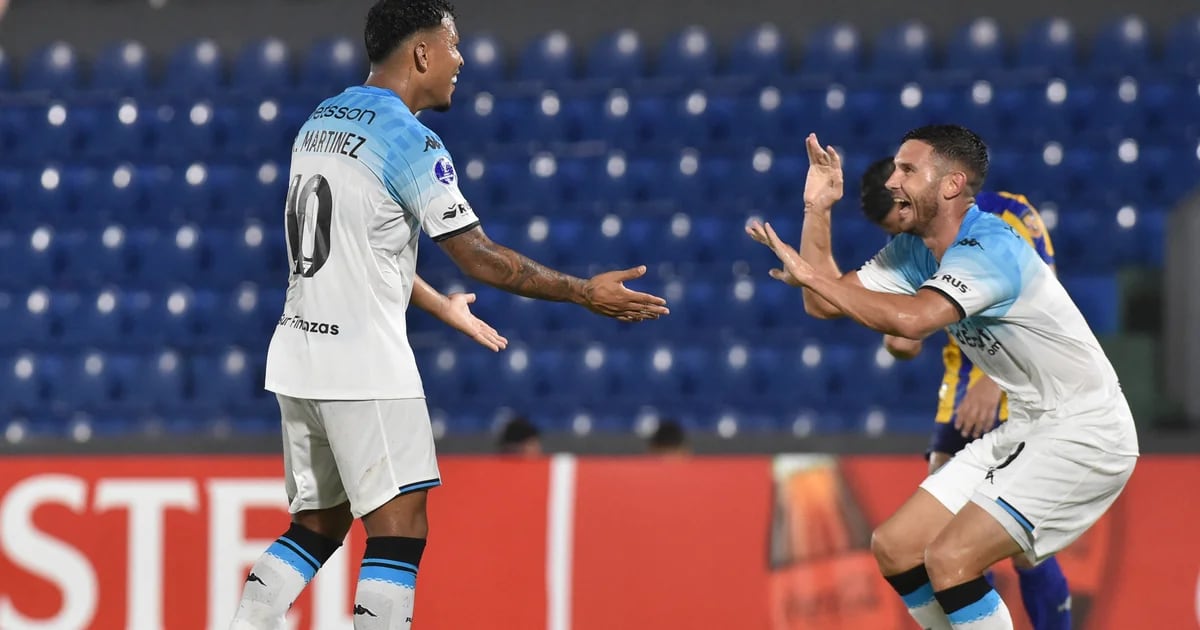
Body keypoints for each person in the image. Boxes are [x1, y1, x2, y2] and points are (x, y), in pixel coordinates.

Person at [231, 2, 670, 628]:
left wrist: (441, 308)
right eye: (453, 45)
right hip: (364, 364)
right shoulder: (408, 138)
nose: (461, 60)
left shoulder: (319, 121)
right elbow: (481, 257)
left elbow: (359, 248)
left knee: (320, 522)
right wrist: (583, 292)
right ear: (420, 53)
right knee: (401, 526)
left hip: (298, 357)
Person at [747, 125, 1137, 629]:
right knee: (896, 548)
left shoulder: (988, 245)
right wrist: (818, 209)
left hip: (1086, 432)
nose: (893, 180)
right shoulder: (915, 250)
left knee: (952, 560)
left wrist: (813, 275)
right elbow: (822, 301)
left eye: (908, 169)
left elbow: (912, 320)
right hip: (1027, 425)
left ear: (952, 184)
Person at [859, 157, 1072, 629]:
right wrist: (897, 329)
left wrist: (991, 381)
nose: (903, 232)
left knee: (1023, 548)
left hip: (1021, 383)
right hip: (959, 386)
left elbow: (1043, 305)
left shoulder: (1011, 216)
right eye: (894, 228)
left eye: (901, 218)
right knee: (941, 543)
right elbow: (905, 344)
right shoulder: (913, 241)